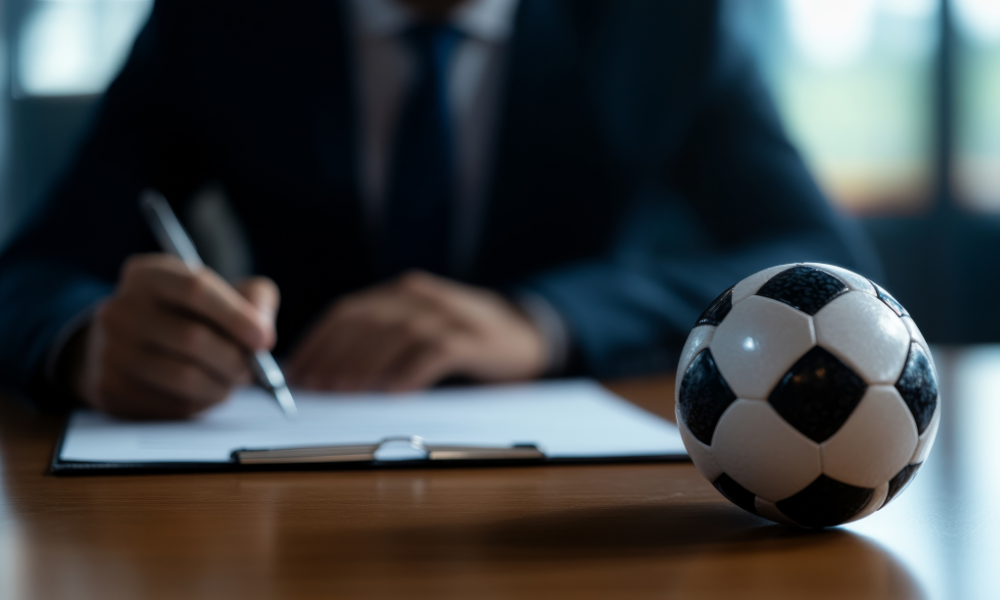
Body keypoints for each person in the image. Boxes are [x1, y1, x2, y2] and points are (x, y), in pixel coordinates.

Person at [0, 0, 877, 418]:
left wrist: (549, 319)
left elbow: (829, 266)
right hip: (288, 473)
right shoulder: (219, 22)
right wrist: (86, 342)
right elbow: (32, 274)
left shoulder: (663, 24)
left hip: (578, 494)